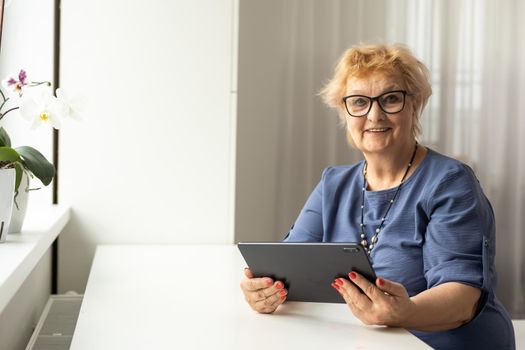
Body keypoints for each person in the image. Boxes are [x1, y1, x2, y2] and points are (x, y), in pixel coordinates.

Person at [239, 43, 516, 349]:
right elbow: (289, 268)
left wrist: (406, 312)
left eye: (391, 99)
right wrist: (265, 290)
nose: (374, 114)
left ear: (415, 105)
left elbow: (463, 298)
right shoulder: (333, 183)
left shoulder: (449, 182)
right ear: (344, 112)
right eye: (359, 102)